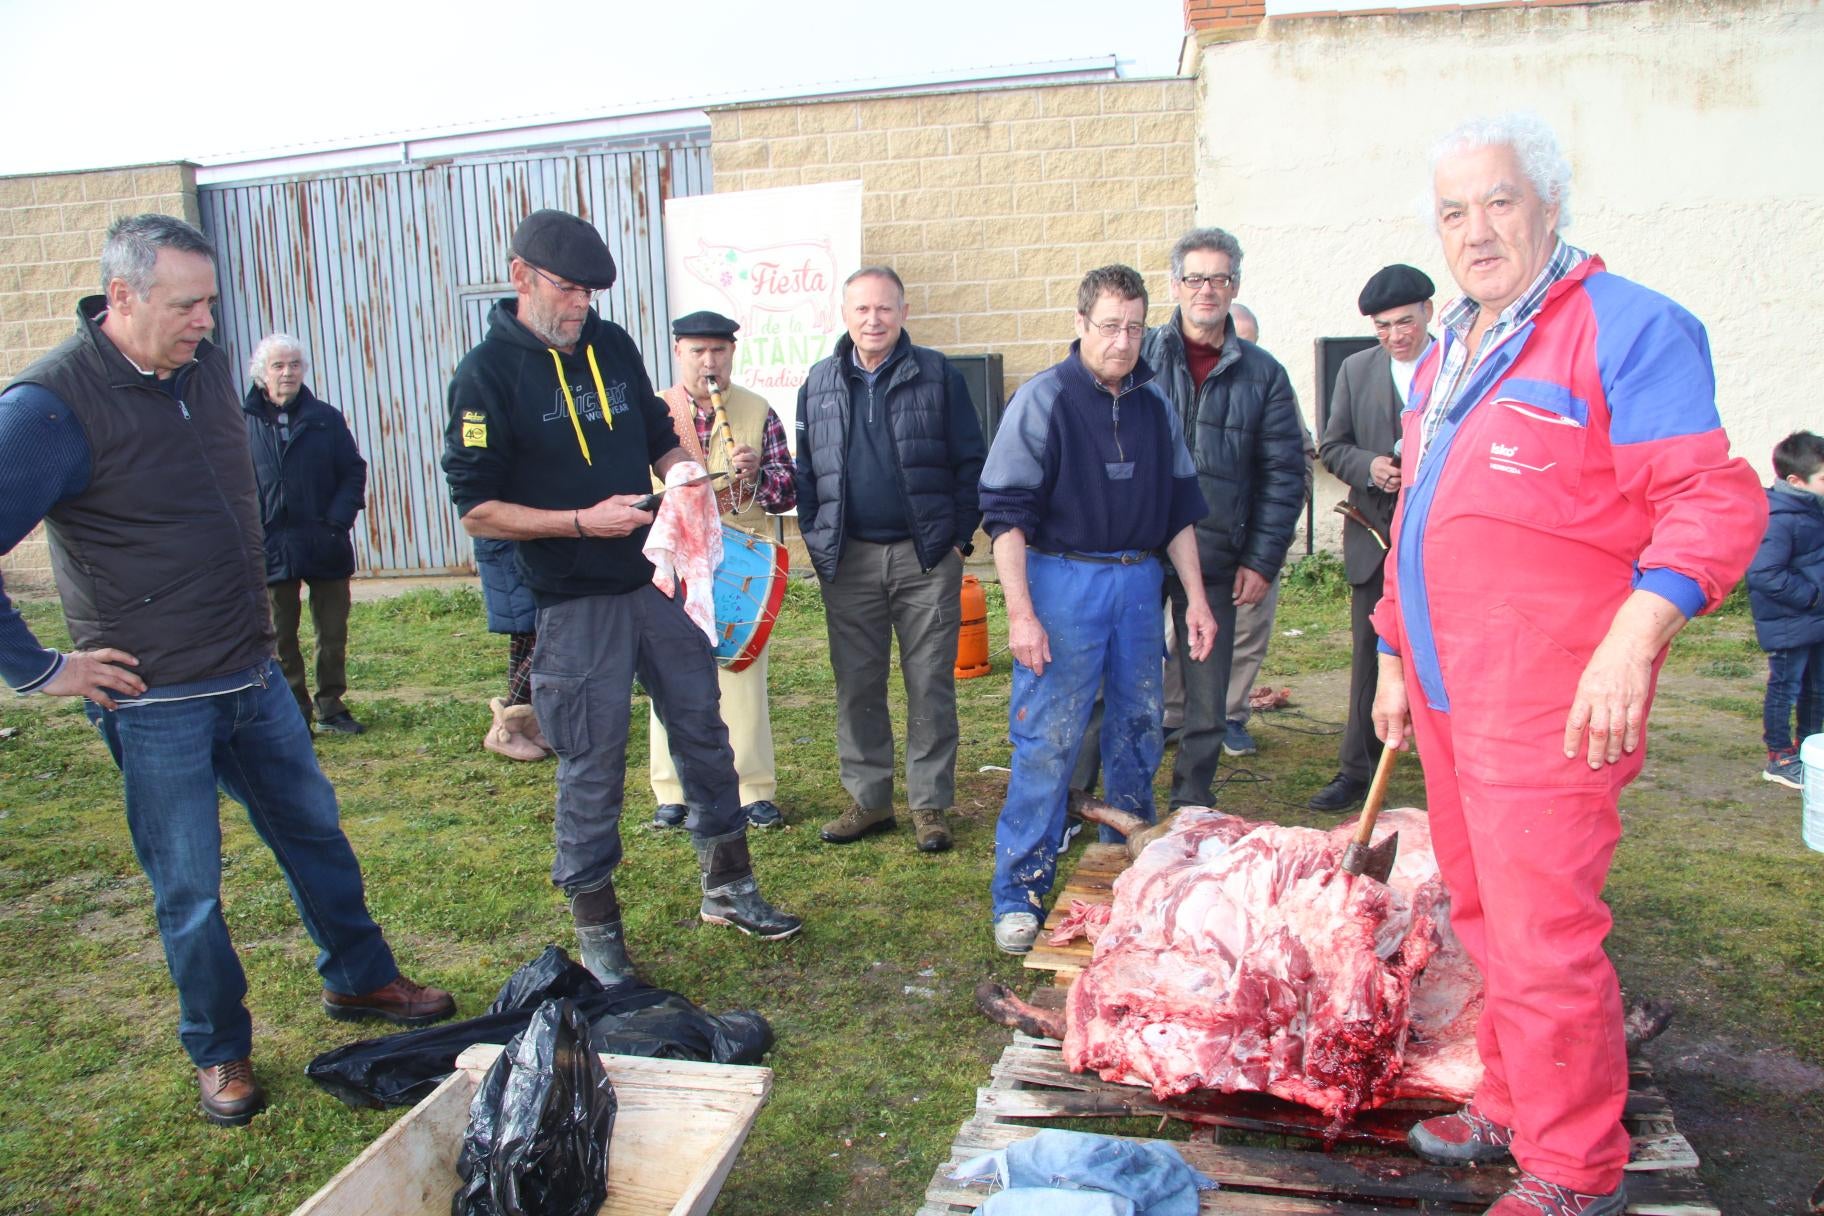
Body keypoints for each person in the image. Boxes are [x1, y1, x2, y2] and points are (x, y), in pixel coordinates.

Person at [1374, 115, 1762, 1215]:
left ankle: (1574, 1168)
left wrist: (1635, 638)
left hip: (1551, 704)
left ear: (1550, 202)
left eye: (1499, 201)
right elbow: (1417, 512)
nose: (1476, 229)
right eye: (1454, 211)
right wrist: (1396, 656)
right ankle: (1513, 1096)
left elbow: (1708, 500)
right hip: (1451, 695)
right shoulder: (1447, 348)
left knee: (1546, 937)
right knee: (1487, 916)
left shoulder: (1627, 329)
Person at [0, 214, 454, 1128]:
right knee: (191, 888)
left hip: (249, 676)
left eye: (211, 301)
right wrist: (40, 669)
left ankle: (360, 980)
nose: (208, 321)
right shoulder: (50, 405)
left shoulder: (204, 370)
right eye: (186, 304)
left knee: (317, 837)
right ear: (119, 297)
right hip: (155, 695)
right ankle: (220, 1047)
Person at [442, 209, 803, 986]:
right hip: (571, 602)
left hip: (650, 582)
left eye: (591, 293)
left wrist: (677, 469)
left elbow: (652, 435)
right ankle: (597, 929)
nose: (580, 306)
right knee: (592, 764)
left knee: (704, 731)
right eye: (567, 290)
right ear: (521, 277)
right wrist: (577, 521)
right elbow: (476, 507)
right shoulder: (486, 375)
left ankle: (730, 887)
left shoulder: (610, 345)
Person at [981, 265, 1215, 954]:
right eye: (1110, 325)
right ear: (1081, 324)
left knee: (1139, 731)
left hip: (1136, 585)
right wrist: (1022, 614)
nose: (1122, 340)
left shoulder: (1154, 405)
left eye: (1135, 327)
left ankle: (1126, 874)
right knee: (1048, 742)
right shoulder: (1043, 399)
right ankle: (1019, 890)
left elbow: (1178, 512)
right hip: (1062, 584)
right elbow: (1005, 518)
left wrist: (1195, 599)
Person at [794, 266, 986, 853]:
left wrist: (954, 539)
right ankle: (870, 801)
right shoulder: (819, 382)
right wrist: (819, 535)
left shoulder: (937, 376)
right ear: (845, 314)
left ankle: (930, 805)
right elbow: (807, 472)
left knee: (930, 684)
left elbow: (971, 462)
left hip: (924, 559)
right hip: (849, 561)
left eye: (884, 309)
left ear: (903, 312)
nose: (872, 320)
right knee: (857, 684)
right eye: (861, 310)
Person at [1146, 229, 1307, 809]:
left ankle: (1192, 803)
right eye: (1195, 277)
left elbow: (1284, 475)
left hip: (1216, 557)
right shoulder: (1138, 357)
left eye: (1219, 278)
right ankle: (1123, 800)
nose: (1206, 290)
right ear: (1174, 285)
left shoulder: (1263, 374)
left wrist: (1262, 558)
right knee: (1129, 686)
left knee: (1208, 698)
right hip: (1137, 554)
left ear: (1234, 285)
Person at [648, 310, 795, 830]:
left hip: (739, 559)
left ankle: (753, 787)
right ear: (678, 353)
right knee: (669, 673)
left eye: (719, 351)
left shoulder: (757, 409)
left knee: (742, 674)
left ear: (732, 352)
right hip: (675, 560)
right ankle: (673, 790)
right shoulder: (655, 411)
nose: (709, 362)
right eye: (697, 351)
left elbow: (786, 494)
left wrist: (760, 475)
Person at [1309, 264, 1435, 811]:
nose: (1394, 335)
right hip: (1375, 537)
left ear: (1429, 312)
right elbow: (1332, 446)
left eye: (1404, 322)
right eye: (1383, 327)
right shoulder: (1356, 370)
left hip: (1439, 540)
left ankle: (1449, 768)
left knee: (1440, 658)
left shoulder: (1461, 365)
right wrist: (1369, 466)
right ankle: (1354, 771)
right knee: (1368, 656)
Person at [242, 333, 369, 735]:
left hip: (324, 542)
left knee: (331, 631)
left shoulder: (325, 418)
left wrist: (336, 521)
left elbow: (352, 470)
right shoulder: (239, 422)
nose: (287, 372)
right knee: (280, 634)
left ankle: (331, 706)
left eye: (294, 364)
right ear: (262, 374)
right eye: (278, 366)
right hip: (271, 545)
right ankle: (294, 710)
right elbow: (227, 482)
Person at [1218, 302, 1317, 757]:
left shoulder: (1272, 382)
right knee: (1176, 633)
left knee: (1246, 633)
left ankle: (1231, 715)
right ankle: (1175, 717)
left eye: (1246, 340)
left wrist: (1272, 539)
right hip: (1196, 537)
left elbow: (1298, 462)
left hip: (1256, 534)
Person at [1745, 430, 1824, 789]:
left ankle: (1810, 750)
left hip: (1817, 621)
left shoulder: (1814, 507)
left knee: (1818, 689)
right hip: (1791, 622)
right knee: (1786, 688)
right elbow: (1764, 572)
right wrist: (1811, 597)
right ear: (1796, 480)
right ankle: (1780, 757)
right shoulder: (1779, 518)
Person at [474, 535, 551, 761]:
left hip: (521, 544)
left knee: (529, 633)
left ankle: (525, 724)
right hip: (508, 544)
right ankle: (506, 727)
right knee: (546, 636)